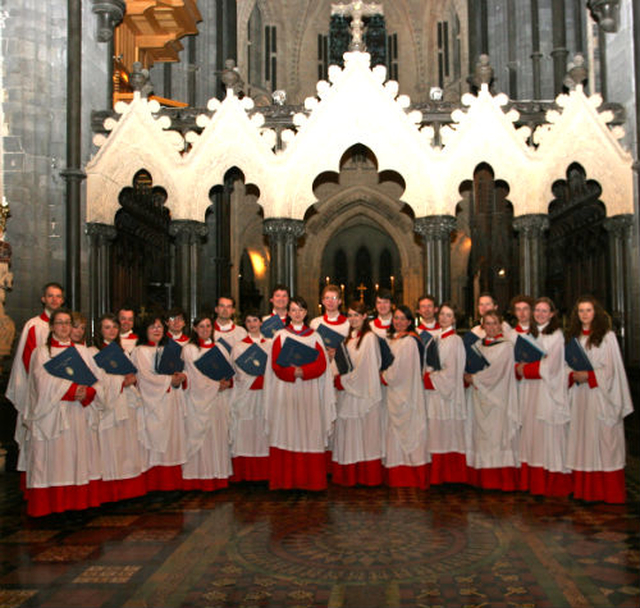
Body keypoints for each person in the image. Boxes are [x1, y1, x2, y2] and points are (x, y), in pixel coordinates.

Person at [23, 308, 103, 516]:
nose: (64, 327)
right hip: (54, 413)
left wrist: (89, 391)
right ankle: (53, 506)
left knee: (77, 457)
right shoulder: (42, 352)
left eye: (68, 323)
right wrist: (71, 390)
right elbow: (41, 381)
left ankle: (78, 505)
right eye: (59, 323)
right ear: (51, 326)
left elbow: (96, 379)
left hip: (78, 412)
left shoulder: (83, 351)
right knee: (56, 460)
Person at [565, 296, 633, 503]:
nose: (584, 315)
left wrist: (590, 376)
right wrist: (572, 374)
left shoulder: (607, 336)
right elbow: (566, 364)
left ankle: (607, 492)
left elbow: (611, 369)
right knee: (582, 441)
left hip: (601, 397)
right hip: (580, 396)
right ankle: (583, 490)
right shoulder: (574, 337)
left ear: (597, 313)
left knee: (603, 442)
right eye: (580, 311)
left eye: (588, 310)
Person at [263, 296, 335, 490]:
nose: (297, 313)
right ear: (288, 313)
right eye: (293, 310)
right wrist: (291, 372)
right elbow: (276, 365)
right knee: (287, 431)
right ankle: (285, 481)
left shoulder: (314, 336)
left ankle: (311, 481)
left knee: (308, 431)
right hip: (286, 391)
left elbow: (322, 364)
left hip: (308, 391)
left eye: (300, 310)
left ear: (305, 313)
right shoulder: (280, 335)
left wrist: (304, 372)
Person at [6, 282, 65, 474]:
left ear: (62, 300)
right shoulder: (35, 325)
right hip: (41, 391)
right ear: (43, 299)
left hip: (64, 393)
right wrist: (48, 386)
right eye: (50, 296)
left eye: (58, 296)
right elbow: (28, 360)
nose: (54, 299)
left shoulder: (67, 323)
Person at [515, 297, 571, 497]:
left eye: (544, 311)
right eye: (537, 310)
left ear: (552, 314)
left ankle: (552, 484)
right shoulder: (531, 334)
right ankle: (532, 482)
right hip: (530, 391)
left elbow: (551, 367)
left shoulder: (556, 335)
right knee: (531, 433)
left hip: (546, 392)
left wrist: (525, 368)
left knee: (547, 435)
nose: (539, 314)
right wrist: (517, 366)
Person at [90, 313, 147, 502]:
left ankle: (127, 491)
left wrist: (132, 378)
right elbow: (97, 379)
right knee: (110, 448)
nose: (112, 330)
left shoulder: (120, 350)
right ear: (99, 330)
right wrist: (121, 381)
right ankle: (110, 494)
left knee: (126, 448)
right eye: (107, 327)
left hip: (125, 403)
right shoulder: (92, 351)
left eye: (114, 327)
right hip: (109, 406)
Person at [131, 314, 188, 492]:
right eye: (152, 327)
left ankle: (173, 486)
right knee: (154, 442)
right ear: (144, 330)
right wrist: (169, 380)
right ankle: (156, 487)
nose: (157, 330)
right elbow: (145, 378)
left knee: (172, 441)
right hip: (153, 404)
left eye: (159, 327)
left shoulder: (169, 349)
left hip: (172, 401)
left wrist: (182, 377)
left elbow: (181, 370)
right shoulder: (140, 351)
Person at [464, 311, 519, 491]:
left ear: (501, 325)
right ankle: (481, 480)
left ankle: (500, 481)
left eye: (495, 323)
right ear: (482, 326)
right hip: (479, 398)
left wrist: (474, 378)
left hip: (498, 399)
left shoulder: (506, 346)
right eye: (487, 323)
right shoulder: (477, 346)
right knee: (481, 438)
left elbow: (497, 373)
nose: (491, 327)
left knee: (497, 437)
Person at [331, 301, 384, 486]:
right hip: (348, 394)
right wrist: (334, 375)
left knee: (363, 434)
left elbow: (366, 369)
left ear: (364, 317)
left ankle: (364, 476)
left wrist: (342, 381)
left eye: (357, 315)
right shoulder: (348, 338)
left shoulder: (369, 338)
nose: (353, 319)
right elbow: (340, 364)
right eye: (350, 315)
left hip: (362, 395)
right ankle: (348, 475)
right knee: (349, 433)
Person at [181, 314, 233, 491]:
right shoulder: (189, 349)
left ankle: (217, 476)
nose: (205, 329)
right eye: (201, 326)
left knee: (217, 437)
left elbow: (229, 369)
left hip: (218, 401)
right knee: (201, 440)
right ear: (195, 329)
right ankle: (198, 478)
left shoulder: (220, 348)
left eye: (208, 326)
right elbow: (194, 377)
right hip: (199, 402)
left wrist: (226, 382)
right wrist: (216, 385)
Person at [380, 305, 429, 488]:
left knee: (407, 433)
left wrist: (383, 375)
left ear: (410, 322)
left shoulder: (409, 342)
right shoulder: (394, 339)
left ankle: (409, 476)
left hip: (405, 394)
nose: (399, 322)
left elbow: (399, 371)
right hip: (394, 394)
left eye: (403, 319)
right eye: (396, 318)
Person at [422, 302, 467, 484]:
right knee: (436, 433)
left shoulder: (455, 340)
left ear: (454, 319)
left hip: (446, 395)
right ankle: (437, 476)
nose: (443, 318)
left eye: (448, 315)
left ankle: (450, 477)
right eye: (441, 314)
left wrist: (429, 378)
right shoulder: (437, 338)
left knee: (448, 433)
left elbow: (452, 372)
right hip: (435, 394)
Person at [230, 310, 271, 481]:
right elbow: (236, 371)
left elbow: (275, 367)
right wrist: (253, 380)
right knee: (245, 431)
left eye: (255, 320)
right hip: (246, 395)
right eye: (249, 321)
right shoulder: (239, 346)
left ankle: (264, 473)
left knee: (263, 430)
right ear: (245, 324)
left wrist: (266, 379)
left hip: (265, 395)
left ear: (261, 323)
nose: (253, 324)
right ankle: (245, 473)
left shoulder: (270, 343)